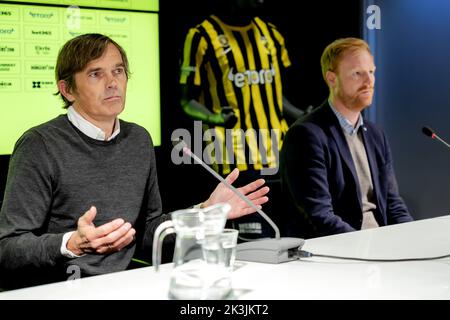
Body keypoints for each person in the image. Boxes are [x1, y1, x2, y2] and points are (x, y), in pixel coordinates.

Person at [0, 33, 269, 290]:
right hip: (57, 291)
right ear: (67, 89)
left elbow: (148, 233)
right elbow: (7, 247)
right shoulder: (40, 145)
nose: (112, 82)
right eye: (96, 74)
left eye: (118, 71)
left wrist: (205, 212)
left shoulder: (138, 139)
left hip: (125, 287)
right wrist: (72, 243)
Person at [179, 0, 305, 239]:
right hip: (235, 157)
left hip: (279, 153)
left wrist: (303, 117)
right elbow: (186, 101)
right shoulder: (201, 36)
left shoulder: (271, 34)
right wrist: (214, 117)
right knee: (255, 243)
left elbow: (274, 94)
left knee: (287, 237)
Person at [280, 37, 413, 238]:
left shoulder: (376, 134)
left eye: (371, 72)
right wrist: (366, 251)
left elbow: (393, 203)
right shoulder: (306, 134)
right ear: (332, 79)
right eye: (357, 74)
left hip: (379, 248)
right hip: (338, 253)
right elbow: (319, 216)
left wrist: (414, 238)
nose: (369, 81)